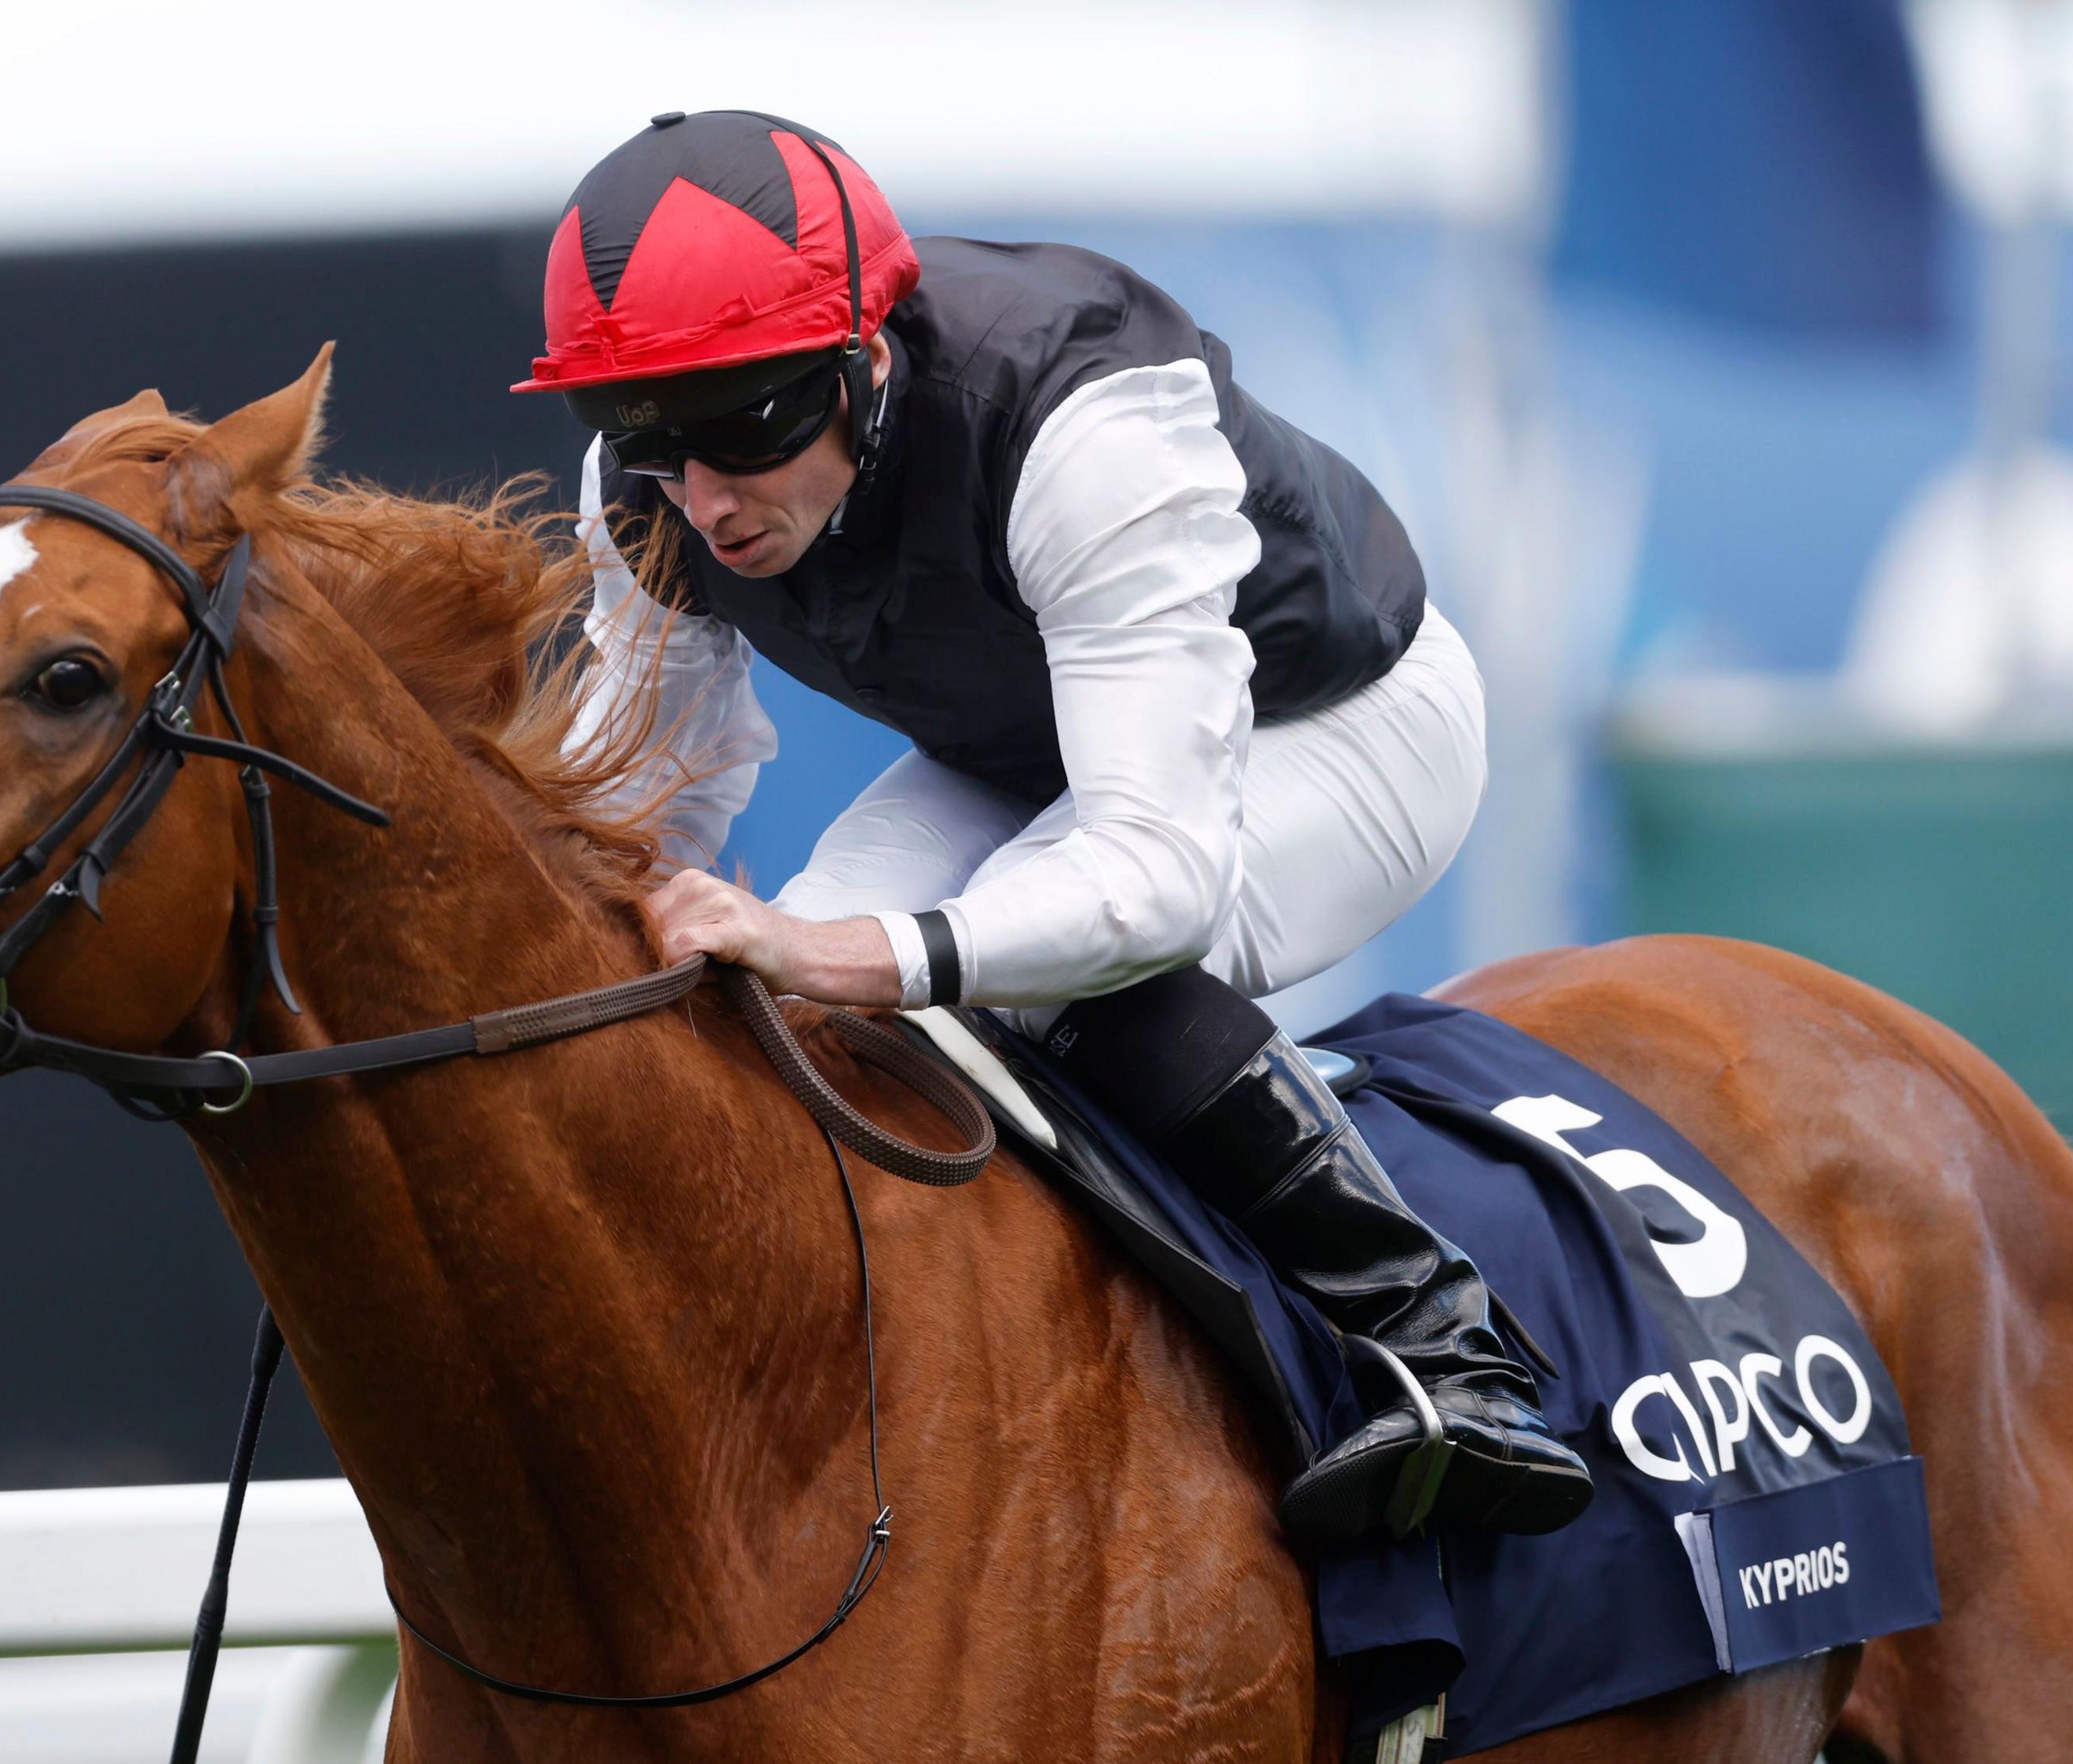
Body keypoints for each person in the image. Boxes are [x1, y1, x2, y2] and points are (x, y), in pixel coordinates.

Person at [517, 110, 1590, 1548]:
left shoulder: (1081, 416)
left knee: (1016, 974)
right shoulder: (652, 495)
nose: (704, 496)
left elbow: (1153, 877)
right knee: (782, 1015)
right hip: (1027, 746)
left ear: (864, 357)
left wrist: (849, 946)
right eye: (647, 437)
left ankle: (1449, 1346)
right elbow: (639, 807)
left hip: (1341, 724)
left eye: (749, 424)